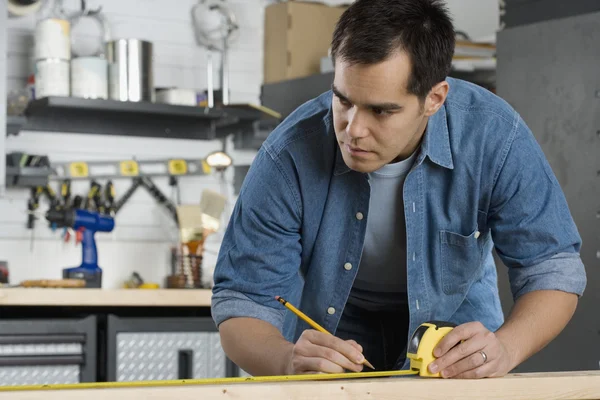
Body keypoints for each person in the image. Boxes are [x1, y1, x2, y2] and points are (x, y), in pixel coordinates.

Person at [211, 0, 587, 379]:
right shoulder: (288, 154)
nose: (353, 129)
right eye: (343, 100)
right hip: (335, 337)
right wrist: (285, 360)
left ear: (434, 99)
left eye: (381, 111)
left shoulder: (495, 137)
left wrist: (506, 347)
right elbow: (244, 301)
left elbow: (551, 268)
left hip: (458, 341)